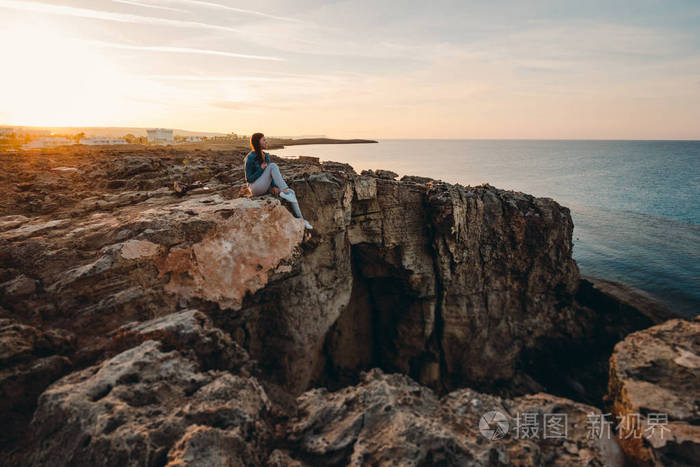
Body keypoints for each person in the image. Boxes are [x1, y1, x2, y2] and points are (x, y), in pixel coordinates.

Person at [245, 132, 313, 229]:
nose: (266, 141)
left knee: (291, 192)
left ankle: (301, 220)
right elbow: (249, 179)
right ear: (257, 142)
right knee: (273, 166)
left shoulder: (265, 156)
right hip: (255, 187)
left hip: (264, 185)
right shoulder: (250, 158)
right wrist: (261, 169)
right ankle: (284, 190)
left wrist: (274, 186)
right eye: (264, 140)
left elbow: (270, 175)